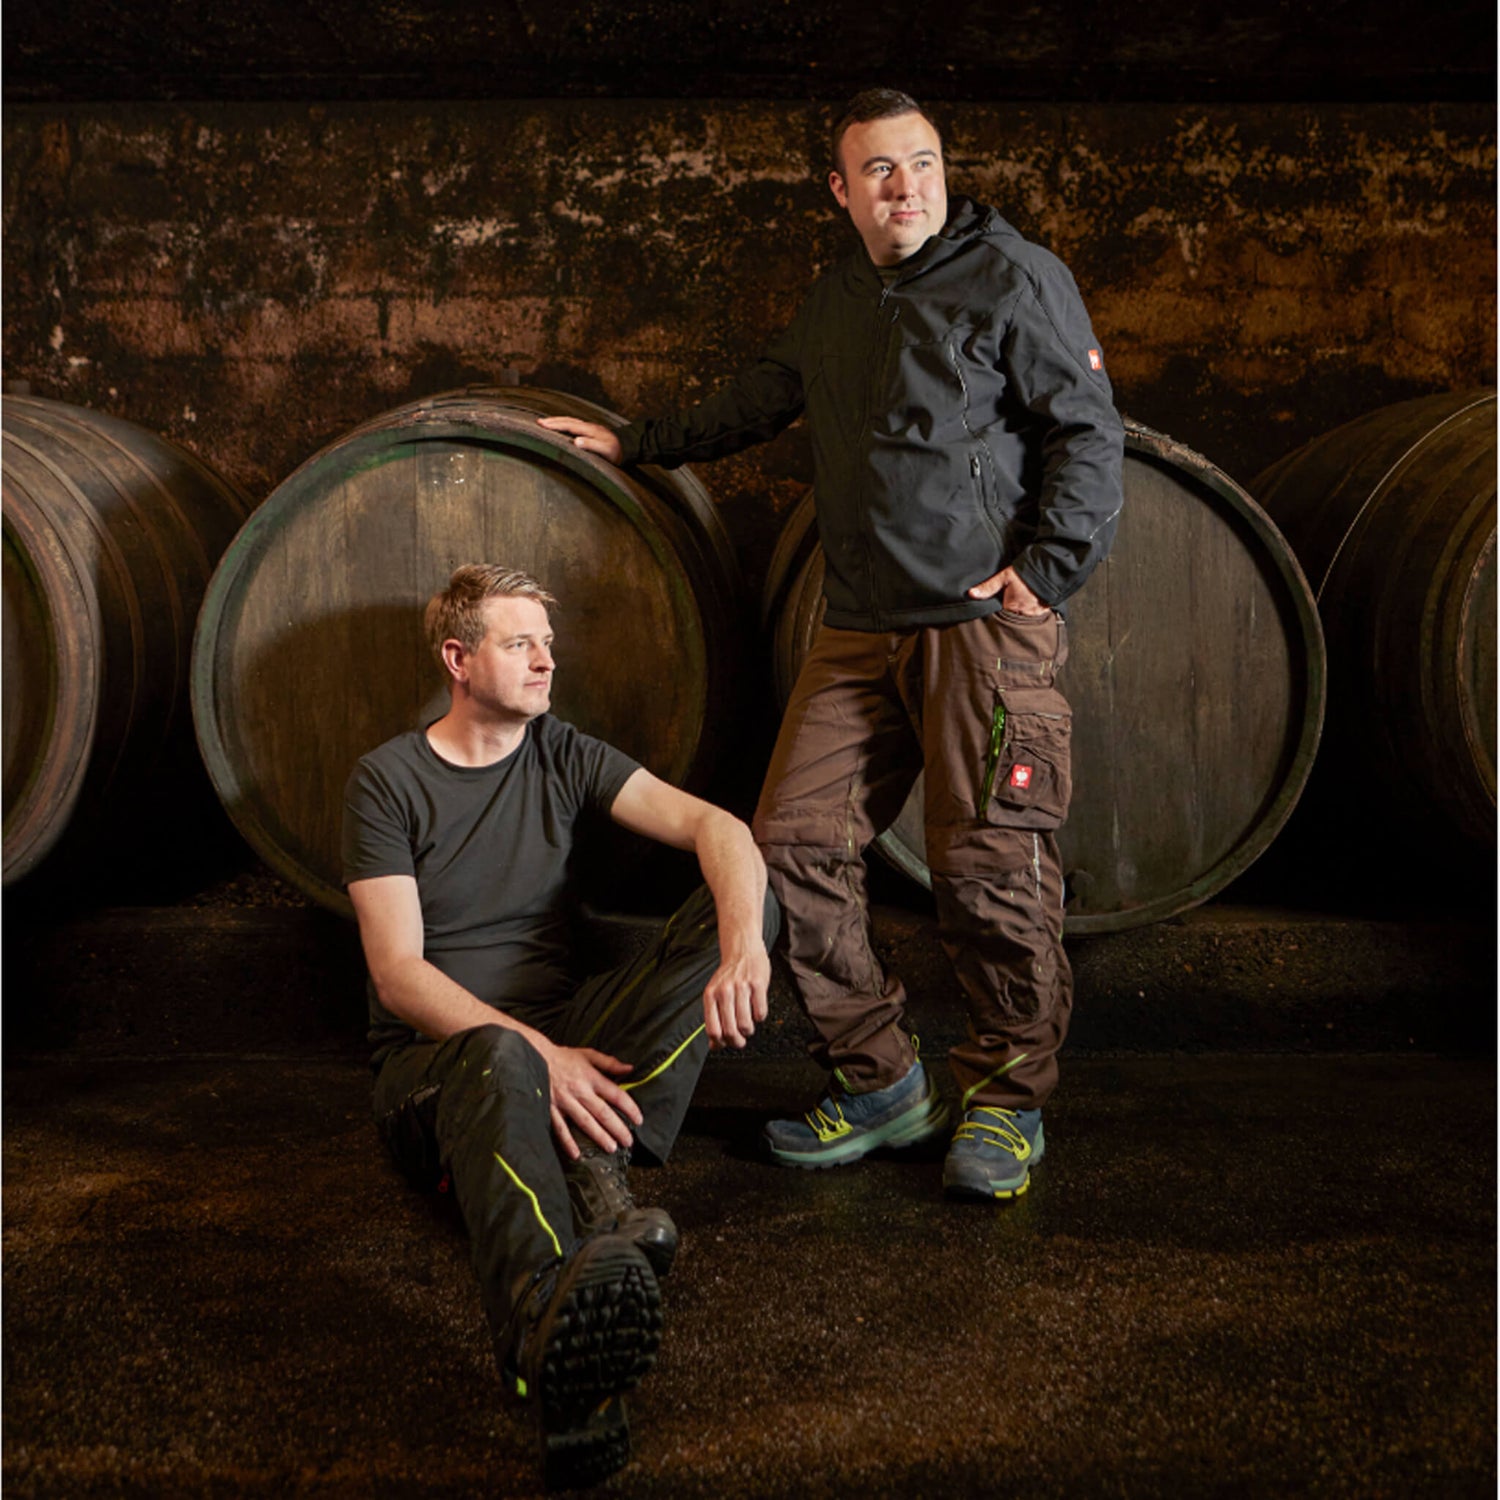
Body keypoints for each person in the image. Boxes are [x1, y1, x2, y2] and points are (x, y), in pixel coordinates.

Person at [540, 87, 1124, 1205]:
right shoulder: (840, 294)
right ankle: (882, 1079)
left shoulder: (1012, 274)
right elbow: (761, 399)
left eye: (923, 164)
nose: (906, 186)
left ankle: (1006, 1099)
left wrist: (1044, 575)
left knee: (989, 869)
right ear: (842, 190)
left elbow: (1087, 431)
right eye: (882, 170)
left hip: (977, 631)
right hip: (858, 625)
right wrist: (636, 443)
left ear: (942, 173)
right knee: (790, 848)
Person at [342, 563, 775, 1488]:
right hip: (444, 1066)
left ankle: (597, 1170)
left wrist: (746, 951)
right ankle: (546, 1320)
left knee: (741, 908)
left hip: (566, 1034)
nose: (547, 661)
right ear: (459, 659)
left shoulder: (563, 750)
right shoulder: (386, 781)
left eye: (548, 642)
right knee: (500, 1053)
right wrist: (543, 1061)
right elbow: (400, 977)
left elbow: (721, 829)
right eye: (520, 643)